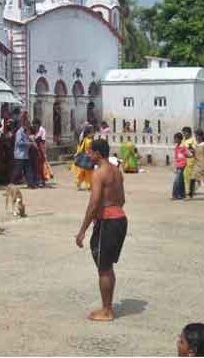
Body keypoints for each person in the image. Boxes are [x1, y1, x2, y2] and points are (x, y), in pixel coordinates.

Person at [74, 137, 126, 321]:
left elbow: (94, 202)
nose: (88, 154)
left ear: (97, 153)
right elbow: (121, 199)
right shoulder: (116, 171)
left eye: (90, 152)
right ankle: (107, 307)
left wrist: (82, 230)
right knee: (107, 267)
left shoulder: (99, 173)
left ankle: (107, 310)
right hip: (120, 218)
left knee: (104, 268)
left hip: (108, 222)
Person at [74, 125, 95, 192]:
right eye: (91, 132)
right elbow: (81, 148)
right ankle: (79, 183)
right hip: (86, 157)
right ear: (87, 133)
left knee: (89, 172)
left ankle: (88, 185)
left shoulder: (91, 140)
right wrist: (77, 154)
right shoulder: (86, 140)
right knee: (83, 172)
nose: (93, 134)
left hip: (90, 157)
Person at [14, 124, 34, 188]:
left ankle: (30, 184)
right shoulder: (19, 132)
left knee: (28, 169)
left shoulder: (25, 132)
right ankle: (12, 183)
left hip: (25, 154)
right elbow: (18, 142)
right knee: (18, 170)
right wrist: (28, 143)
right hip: (20, 155)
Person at [33, 119, 49, 186]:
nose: (34, 126)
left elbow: (43, 141)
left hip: (40, 148)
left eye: (35, 124)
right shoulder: (34, 130)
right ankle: (37, 180)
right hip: (35, 149)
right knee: (36, 165)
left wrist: (43, 151)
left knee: (41, 166)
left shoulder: (42, 130)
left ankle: (42, 180)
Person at [171, 133, 188, 200]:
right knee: (180, 180)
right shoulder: (177, 147)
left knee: (177, 180)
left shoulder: (183, 147)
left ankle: (175, 195)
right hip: (178, 165)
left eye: (175, 138)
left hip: (182, 165)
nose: (174, 139)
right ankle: (182, 194)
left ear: (179, 139)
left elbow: (189, 154)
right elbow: (176, 157)